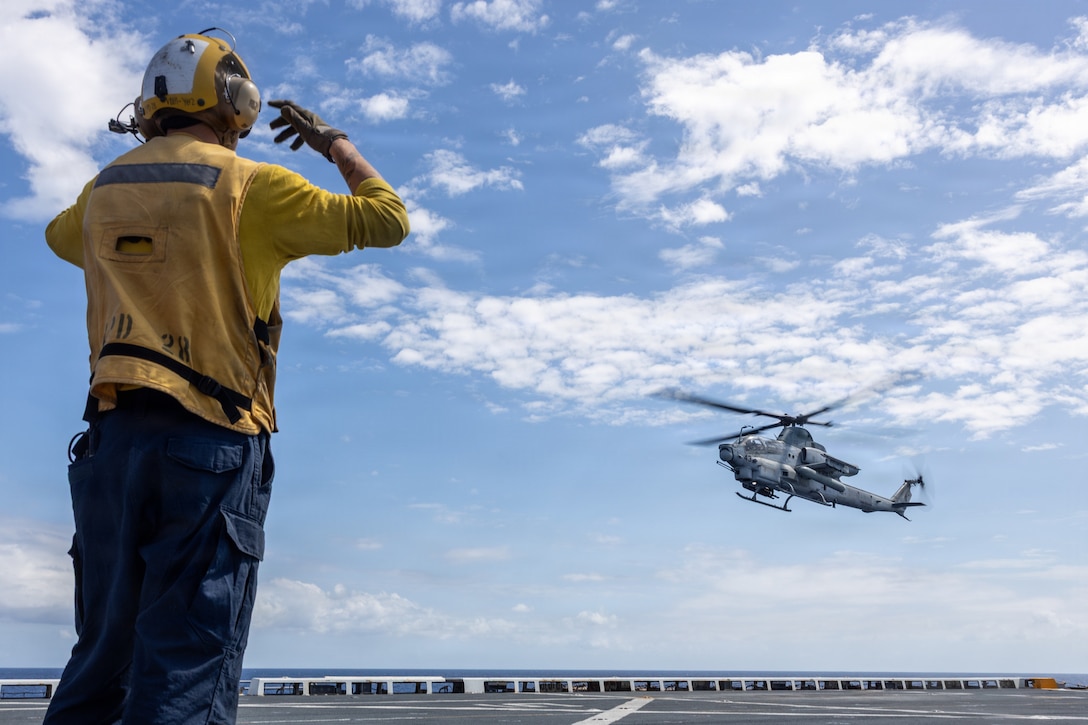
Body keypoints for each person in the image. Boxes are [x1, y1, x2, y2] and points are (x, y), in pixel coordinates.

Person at [42, 29, 409, 725]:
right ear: (236, 100)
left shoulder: (102, 190)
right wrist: (334, 142)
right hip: (211, 443)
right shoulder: (253, 185)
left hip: (110, 447)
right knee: (186, 665)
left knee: (98, 661)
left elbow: (62, 237)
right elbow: (387, 219)